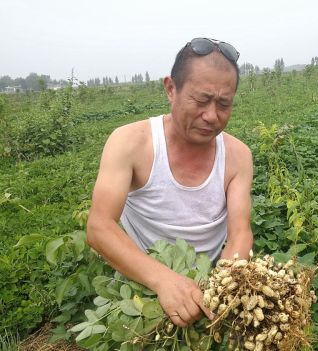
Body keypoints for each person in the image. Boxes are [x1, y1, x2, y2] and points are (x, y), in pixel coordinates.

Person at [86, 37, 254, 328]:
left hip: (208, 282)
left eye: (224, 104)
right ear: (171, 89)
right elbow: (99, 227)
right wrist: (163, 280)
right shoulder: (130, 143)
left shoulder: (238, 156)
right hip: (145, 282)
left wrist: (221, 285)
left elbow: (240, 233)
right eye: (201, 100)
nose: (211, 116)